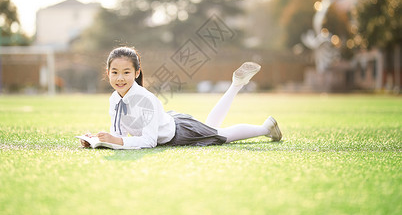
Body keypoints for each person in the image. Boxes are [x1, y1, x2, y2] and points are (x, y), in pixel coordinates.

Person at [80, 46, 282, 149]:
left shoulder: (147, 100)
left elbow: (149, 142)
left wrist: (116, 141)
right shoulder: (114, 100)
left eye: (126, 72)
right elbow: (119, 135)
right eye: (115, 72)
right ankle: (236, 85)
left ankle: (266, 128)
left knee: (222, 135)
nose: (120, 78)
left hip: (179, 133)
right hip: (171, 122)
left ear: (137, 72)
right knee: (213, 128)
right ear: (107, 73)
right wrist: (99, 141)